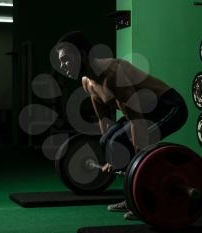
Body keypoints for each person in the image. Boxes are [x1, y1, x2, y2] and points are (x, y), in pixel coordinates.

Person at [54, 31, 188, 220]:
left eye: (66, 59)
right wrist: (110, 156)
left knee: (128, 144)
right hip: (144, 112)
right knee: (109, 140)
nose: (63, 66)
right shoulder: (88, 82)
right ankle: (132, 197)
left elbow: (137, 121)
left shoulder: (112, 74)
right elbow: (104, 120)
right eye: (60, 61)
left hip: (169, 107)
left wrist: (138, 160)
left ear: (82, 54)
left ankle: (144, 200)